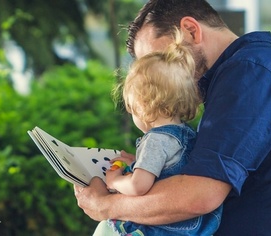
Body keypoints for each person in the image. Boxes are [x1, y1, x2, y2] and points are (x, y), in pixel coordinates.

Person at [75, 0, 271, 235]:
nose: (157, 79)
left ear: (191, 30)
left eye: (162, 60)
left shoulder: (249, 72)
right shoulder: (250, 71)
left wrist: (107, 206)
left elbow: (198, 196)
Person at [94, 28, 222, 236]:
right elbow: (164, 171)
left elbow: (139, 186)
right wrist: (136, 163)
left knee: (105, 230)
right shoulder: (185, 135)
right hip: (195, 228)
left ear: (142, 106)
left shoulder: (155, 140)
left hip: (164, 229)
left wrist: (115, 180)